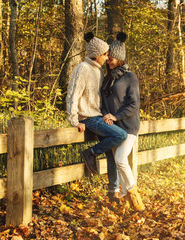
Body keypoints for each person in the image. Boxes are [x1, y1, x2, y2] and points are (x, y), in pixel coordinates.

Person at [66, 32, 127, 183]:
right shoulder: (83, 68)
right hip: (88, 118)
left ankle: (113, 191)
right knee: (121, 135)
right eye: (105, 54)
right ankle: (91, 153)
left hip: (98, 116)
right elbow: (72, 96)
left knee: (112, 155)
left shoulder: (98, 70)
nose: (107, 58)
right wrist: (74, 121)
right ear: (97, 54)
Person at [101, 32, 145, 211]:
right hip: (113, 128)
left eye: (111, 57)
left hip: (128, 127)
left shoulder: (130, 77)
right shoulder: (107, 79)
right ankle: (128, 199)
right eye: (107, 57)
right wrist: (105, 115)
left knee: (120, 159)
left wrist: (116, 116)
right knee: (119, 164)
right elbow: (103, 102)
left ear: (119, 58)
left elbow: (134, 104)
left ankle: (134, 195)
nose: (108, 60)